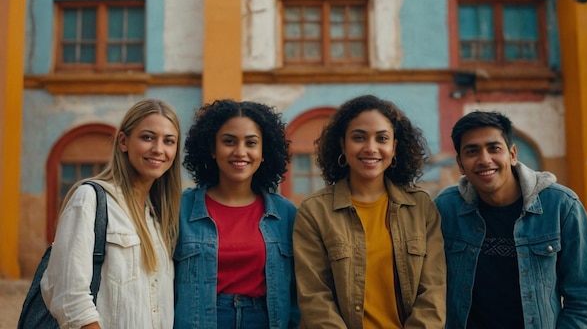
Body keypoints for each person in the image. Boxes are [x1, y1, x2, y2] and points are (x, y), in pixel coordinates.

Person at [435, 110, 587, 328]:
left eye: (494, 148)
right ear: (460, 163)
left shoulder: (561, 206)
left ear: (512, 154)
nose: (485, 160)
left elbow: (583, 295)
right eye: (472, 151)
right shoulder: (446, 208)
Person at [293, 94, 447, 328]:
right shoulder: (315, 211)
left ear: (394, 147)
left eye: (382, 138)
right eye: (359, 137)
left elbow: (433, 292)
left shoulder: (421, 208)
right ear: (343, 145)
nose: (371, 148)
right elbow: (314, 295)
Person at [41, 99, 183, 328]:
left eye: (169, 141)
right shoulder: (91, 199)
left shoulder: (158, 217)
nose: (158, 149)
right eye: (147, 137)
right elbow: (69, 296)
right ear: (124, 141)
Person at [174, 99, 300, 329]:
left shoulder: (286, 214)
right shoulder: (181, 209)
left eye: (251, 143)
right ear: (212, 149)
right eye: (229, 141)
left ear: (264, 151)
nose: (240, 152)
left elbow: (298, 291)